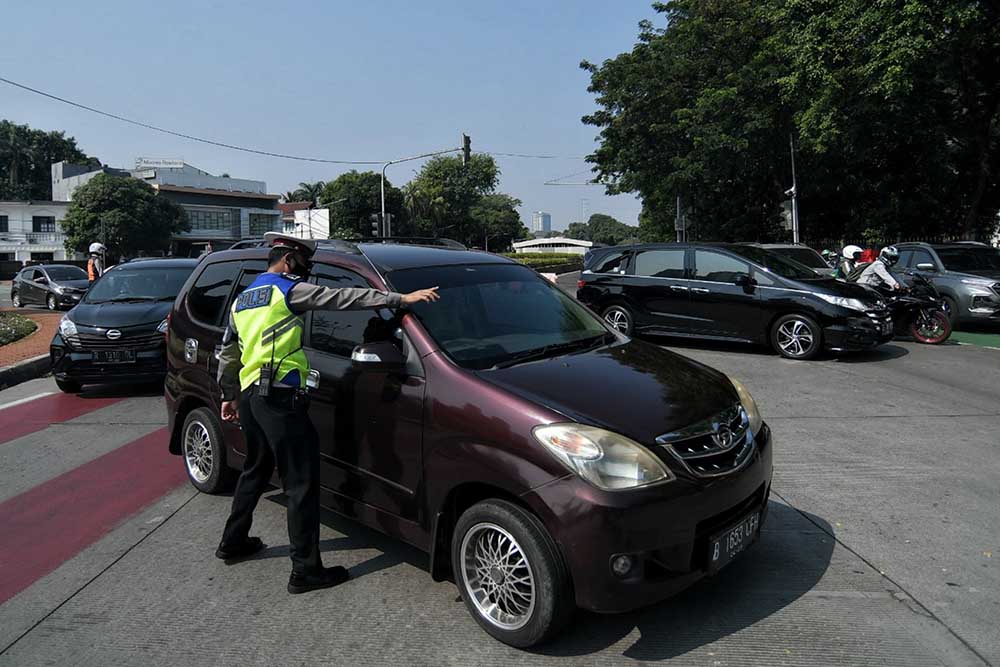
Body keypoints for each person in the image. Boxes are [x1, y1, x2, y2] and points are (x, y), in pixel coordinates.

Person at [215, 232, 439, 594]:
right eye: (303, 264)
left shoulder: (243, 299)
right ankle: (305, 570)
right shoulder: (287, 290)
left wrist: (229, 395)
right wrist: (399, 298)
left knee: (255, 469)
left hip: (251, 395)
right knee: (301, 484)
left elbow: (229, 352)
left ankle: (233, 541)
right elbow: (342, 298)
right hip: (280, 398)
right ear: (287, 260)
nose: (305, 271)